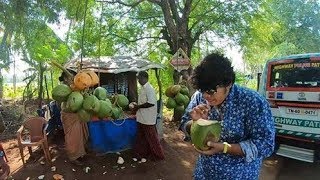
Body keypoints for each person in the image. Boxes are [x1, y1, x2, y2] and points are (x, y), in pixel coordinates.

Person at [179, 53, 275, 179]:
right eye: (203, 90)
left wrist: (224, 148)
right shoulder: (199, 97)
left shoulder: (252, 102)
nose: (207, 96)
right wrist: (195, 123)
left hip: (239, 175)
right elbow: (184, 124)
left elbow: (266, 144)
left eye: (211, 91)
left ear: (228, 83)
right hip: (205, 173)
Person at [131, 71, 165, 161]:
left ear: (144, 78)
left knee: (152, 137)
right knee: (141, 137)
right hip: (142, 117)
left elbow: (151, 103)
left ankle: (158, 155)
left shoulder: (149, 88)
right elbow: (143, 102)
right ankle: (142, 153)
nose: (138, 80)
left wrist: (138, 106)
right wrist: (137, 105)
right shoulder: (143, 88)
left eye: (139, 78)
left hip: (148, 118)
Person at [59, 72, 89, 166]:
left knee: (79, 135)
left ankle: (80, 153)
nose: (71, 79)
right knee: (72, 137)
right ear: (65, 79)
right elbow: (69, 102)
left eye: (73, 78)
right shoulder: (64, 88)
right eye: (69, 78)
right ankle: (73, 157)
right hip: (68, 115)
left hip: (76, 115)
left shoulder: (76, 86)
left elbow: (79, 98)